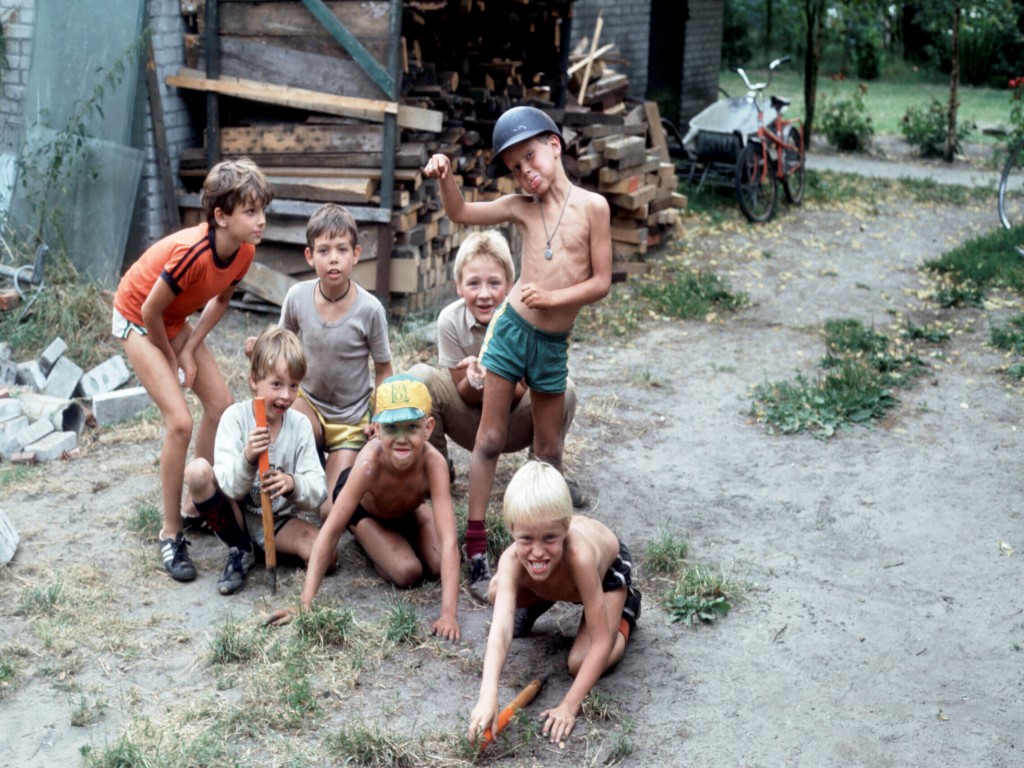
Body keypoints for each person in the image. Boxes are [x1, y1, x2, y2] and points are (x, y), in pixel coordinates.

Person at [423, 106, 612, 596]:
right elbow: (460, 214)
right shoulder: (521, 207)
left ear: (554, 145)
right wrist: (446, 177)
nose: (525, 172)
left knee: (548, 451)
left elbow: (601, 282)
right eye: (514, 167)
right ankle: (477, 546)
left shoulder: (593, 207)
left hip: (551, 344)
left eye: (530, 157)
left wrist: (554, 298)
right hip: (511, 333)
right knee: (489, 438)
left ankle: (546, 546)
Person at [112, 157, 273, 582]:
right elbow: (150, 310)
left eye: (262, 210)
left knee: (221, 405)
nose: (261, 220)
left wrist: (190, 347)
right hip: (137, 317)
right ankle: (170, 533)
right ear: (221, 216)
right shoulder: (193, 253)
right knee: (180, 422)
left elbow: (220, 300)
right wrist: (172, 358)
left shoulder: (244, 251)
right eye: (250, 211)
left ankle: (193, 504)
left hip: (170, 319)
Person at [269, 375, 461, 642]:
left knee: (440, 564)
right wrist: (306, 602)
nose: (402, 438)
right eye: (391, 428)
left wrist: (448, 615)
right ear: (377, 429)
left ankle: (401, 529)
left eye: (411, 427)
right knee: (408, 572)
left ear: (428, 428)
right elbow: (330, 530)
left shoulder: (434, 463)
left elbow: (449, 540)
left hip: (407, 506)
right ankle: (366, 537)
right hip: (366, 511)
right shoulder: (369, 462)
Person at [467, 461, 641, 746]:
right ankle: (547, 596)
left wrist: (569, 705)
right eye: (526, 538)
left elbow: (600, 643)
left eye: (550, 537)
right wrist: (488, 694)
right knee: (498, 591)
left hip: (604, 576)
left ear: (565, 527)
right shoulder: (512, 559)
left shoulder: (580, 557)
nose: (537, 551)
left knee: (580, 663)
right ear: (512, 530)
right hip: (562, 578)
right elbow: (500, 631)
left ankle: (626, 611)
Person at [408, 230, 581, 494]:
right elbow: (464, 396)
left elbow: (526, 394)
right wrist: (474, 379)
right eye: (473, 284)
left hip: (513, 421)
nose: (484, 294)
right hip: (470, 421)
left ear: (511, 284)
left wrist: (496, 372)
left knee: (565, 389)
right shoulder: (449, 321)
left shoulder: (527, 320)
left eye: (494, 283)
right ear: (458, 286)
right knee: (420, 377)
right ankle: (435, 471)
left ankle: (541, 478)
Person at [182, 327, 329, 595]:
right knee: (196, 472)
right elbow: (230, 487)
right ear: (254, 380)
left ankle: (266, 549)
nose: (286, 395)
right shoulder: (235, 419)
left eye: (293, 386)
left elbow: (318, 491)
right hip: (238, 515)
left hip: (279, 522)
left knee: (327, 556)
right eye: (277, 384)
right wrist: (248, 458)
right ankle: (240, 548)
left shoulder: (300, 426)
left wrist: (293, 484)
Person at [277, 203, 394, 519]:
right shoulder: (297, 297)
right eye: (324, 250)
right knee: (282, 430)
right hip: (309, 405)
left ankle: (340, 466)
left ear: (356, 254)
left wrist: (380, 416)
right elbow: (280, 348)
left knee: (329, 510)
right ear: (309, 256)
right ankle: (308, 461)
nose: (333, 258)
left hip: (351, 418)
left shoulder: (370, 309)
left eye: (342, 249)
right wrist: (260, 350)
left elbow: (384, 369)